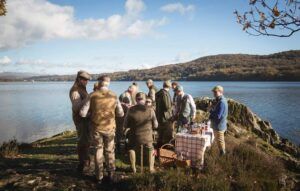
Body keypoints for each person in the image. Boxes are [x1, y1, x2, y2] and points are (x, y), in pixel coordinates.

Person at [80, 75, 124, 184]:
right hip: (110, 127)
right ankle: (111, 174)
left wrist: (92, 113)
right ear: (108, 83)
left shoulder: (92, 95)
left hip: (96, 128)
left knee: (98, 150)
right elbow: (121, 113)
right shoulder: (114, 95)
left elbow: (82, 113)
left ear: (99, 83)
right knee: (110, 150)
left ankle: (99, 177)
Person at [124, 92, 158, 173]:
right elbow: (156, 125)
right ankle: (151, 169)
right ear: (145, 99)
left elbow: (125, 124)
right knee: (151, 149)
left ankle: (133, 168)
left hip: (134, 136)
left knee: (131, 148)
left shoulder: (130, 110)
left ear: (136, 99)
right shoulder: (150, 110)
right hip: (147, 137)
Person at [69, 70, 92, 174]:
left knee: (86, 141)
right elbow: (76, 107)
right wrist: (89, 98)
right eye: (84, 79)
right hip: (80, 120)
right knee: (82, 142)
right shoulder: (75, 91)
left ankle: (85, 162)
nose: (86, 81)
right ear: (78, 79)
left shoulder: (82, 88)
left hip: (85, 119)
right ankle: (82, 164)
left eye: (87, 80)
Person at [209, 85, 228, 156]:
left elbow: (217, 116)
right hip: (219, 125)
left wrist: (210, 110)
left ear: (220, 92)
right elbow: (217, 112)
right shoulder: (220, 100)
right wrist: (213, 107)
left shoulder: (222, 102)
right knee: (219, 142)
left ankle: (223, 157)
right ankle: (222, 155)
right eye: (213, 92)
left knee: (220, 142)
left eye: (215, 92)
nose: (214, 93)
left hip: (219, 126)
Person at [155, 80, 173, 148]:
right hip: (165, 117)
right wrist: (172, 106)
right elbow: (167, 106)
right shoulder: (165, 93)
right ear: (169, 86)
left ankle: (158, 148)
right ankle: (165, 149)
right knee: (167, 134)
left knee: (160, 134)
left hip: (159, 116)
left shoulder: (159, 93)